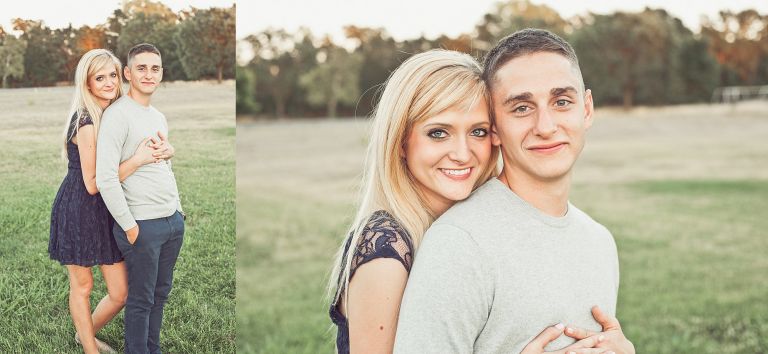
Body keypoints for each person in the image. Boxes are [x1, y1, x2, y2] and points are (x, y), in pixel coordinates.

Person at [393, 29, 635, 353]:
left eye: (561, 102)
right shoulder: (459, 244)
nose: (546, 126)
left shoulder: (600, 242)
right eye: (521, 108)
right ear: (494, 128)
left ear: (586, 109)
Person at [327, 49, 499, 354]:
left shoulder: (472, 225)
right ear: (401, 142)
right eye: (438, 133)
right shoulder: (386, 248)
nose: (462, 153)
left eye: (478, 131)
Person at [49, 48, 165, 354]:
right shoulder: (85, 120)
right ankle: (89, 347)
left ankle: (84, 333)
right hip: (79, 208)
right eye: (99, 77)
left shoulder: (114, 113)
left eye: (113, 74)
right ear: (86, 83)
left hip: (108, 208)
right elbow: (92, 184)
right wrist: (138, 160)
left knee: (120, 292)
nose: (108, 82)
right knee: (83, 286)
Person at [96, 43, 183, 354]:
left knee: (160, 294)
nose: (149, 74)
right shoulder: (117, 116)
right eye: (142, 68)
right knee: (141, 299)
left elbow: (163, 164)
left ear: (161, 74)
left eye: (155, 68)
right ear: (127, 74)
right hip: (141, 225)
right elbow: (105, 178)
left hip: (171, 221)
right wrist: (130, 226)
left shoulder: (157, 116)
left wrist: (178, 212)